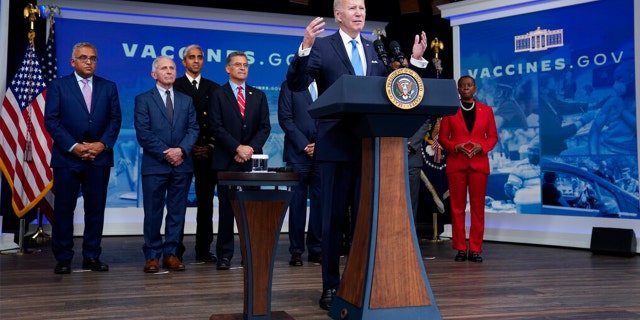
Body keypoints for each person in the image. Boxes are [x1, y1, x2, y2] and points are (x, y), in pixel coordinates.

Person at [286, 0, 429, 310]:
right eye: (352, 8)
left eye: (362, 8)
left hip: (371, 147)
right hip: (336, 147)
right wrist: (305, 46)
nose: (360, 13)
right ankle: (331, 286)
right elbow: (297, 83)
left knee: (366, 220)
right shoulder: (323, 48)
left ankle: (361, 282)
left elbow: (395, 89)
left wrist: (413, 64)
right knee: (333, 220)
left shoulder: (375, 48)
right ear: (338, 15)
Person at [45, 42, 122, 274]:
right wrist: (74, 146)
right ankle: (64, 257)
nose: (89, 62)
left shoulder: (108, 87)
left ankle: (91, 255)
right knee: (64, 209)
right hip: (67, 158)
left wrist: (101, 145)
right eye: (84, 58)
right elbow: (52, 120)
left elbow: (115, 120)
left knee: (95, 210)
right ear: (73, 61)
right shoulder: (59, 86)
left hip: (99, 158)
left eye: (93, 58)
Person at [134, 56, 199, 273]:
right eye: (164, 68)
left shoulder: (186, 100)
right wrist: (167, 153)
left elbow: (193, 129)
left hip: (182, 164)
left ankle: (171, 253)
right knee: (153, 212)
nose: (169, 71)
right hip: (155, 165)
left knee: (177, 211)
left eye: (172, 68)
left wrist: (180, 151)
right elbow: (143, 133)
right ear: (154, 74)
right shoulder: (143, 100)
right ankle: (152, 255)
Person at [209, 51, 271, 270]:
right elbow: (215, 126)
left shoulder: (258, 95)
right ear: (228, 68)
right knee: (227, 210)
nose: (242, 68)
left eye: (245, 65)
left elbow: (265, 127)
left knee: (252, 211)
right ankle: (225, 255)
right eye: (237, 64)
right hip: (227, 160)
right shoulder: (218, 94)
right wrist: (237, 147)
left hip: (252, 162)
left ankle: (250, 253)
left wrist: (250, 149)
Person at [438, 75, 498, 263]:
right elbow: (442, 138)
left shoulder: (486, 111)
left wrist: (483, 146)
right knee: (457, 208)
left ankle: (475, 248)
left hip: (478, 164)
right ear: (458, 89)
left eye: (469, 85)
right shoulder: (450, 112)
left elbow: (493, 137)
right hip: (457, 164)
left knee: (478, 208)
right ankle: (461, 248)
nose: (466, 88)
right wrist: (455, 146)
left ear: (475, 88)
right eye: (462, 86)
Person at [173, 44, 221, 263]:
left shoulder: (214, 88)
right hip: (182, 153)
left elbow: (219, 122)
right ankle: (175, 250)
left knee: (205, 205)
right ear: (184, 62)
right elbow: (171, 122)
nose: (196, 61)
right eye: (191, 58)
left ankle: (203, 250)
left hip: (207, 153)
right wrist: (187, 146)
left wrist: (209, 145)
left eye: (200, 57)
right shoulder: (174, 85)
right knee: (178, 204)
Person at [277, 80, 322, 267]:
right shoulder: (290, 85)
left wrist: (320, 144)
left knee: (321, 203)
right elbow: (285, 119)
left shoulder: (327, 81)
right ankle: (296, 251)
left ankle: (317, 249)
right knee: (297, 204)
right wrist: (305, 145)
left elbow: (335, 118)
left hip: (323, 152)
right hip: (298, 153)